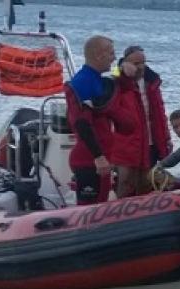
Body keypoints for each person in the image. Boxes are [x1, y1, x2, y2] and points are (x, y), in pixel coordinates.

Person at [64, 35, 134, 205]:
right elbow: (81, 123)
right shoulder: (83, 82)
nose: (114, 58)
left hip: (101, 158)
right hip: (89, 160)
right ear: (98, 55)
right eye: (111, 53)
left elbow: (114, 83)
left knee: (101, 203)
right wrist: (98, 157)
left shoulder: (97, 79)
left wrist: (123, 69)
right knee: (89, 208)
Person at [110, 46, 172, 198]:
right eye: (136, 63)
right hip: (126, 141)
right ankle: (119, 209)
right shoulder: (118, 81)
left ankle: (142, 209)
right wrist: (121, 71)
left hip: (151, 140)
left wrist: (166, 138)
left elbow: (160, 113)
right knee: (125, 181)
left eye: (143, 62)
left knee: (146, 181)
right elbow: (112, 77)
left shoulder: (152, 81)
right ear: (126, 63)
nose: (141, 67)